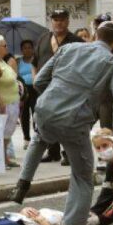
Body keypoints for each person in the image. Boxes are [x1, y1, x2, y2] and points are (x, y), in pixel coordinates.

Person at [11, 26, 113, 225]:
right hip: (74, 120)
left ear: (95, 36)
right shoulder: (112, 63)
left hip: (45, 109)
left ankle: (22, 184)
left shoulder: (68, 48)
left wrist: (54, 98)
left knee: (40, 138)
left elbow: (40, 80)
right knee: (83, 177)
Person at [34, 9, 82, 163]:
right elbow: (34, 63)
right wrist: (36, 80)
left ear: (68, 21)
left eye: (62, 19)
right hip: (45, 89)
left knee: (67, 121)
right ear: (51, 21)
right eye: (55, 19)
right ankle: (52, 151)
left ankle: (68, 153)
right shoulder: (43, 39)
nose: (59, 22)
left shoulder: (77, 41)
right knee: (48, 120)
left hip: (67, 90)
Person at [0, 35, 21, 168]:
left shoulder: (3, 61)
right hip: (2, 102)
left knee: (8, 132)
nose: (6, 48)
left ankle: (5, 157)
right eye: (4, 45)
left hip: (13, 101)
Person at [17, 39, 37, 148]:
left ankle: (36, 137)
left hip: (35, 89)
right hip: (23, 90)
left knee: (35, 113)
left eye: (29, 47)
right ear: (21, 50)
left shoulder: (36, 60)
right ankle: (26, 138)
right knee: (24, 115)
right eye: (25, 48)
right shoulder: (18, 61)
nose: (27, 49)